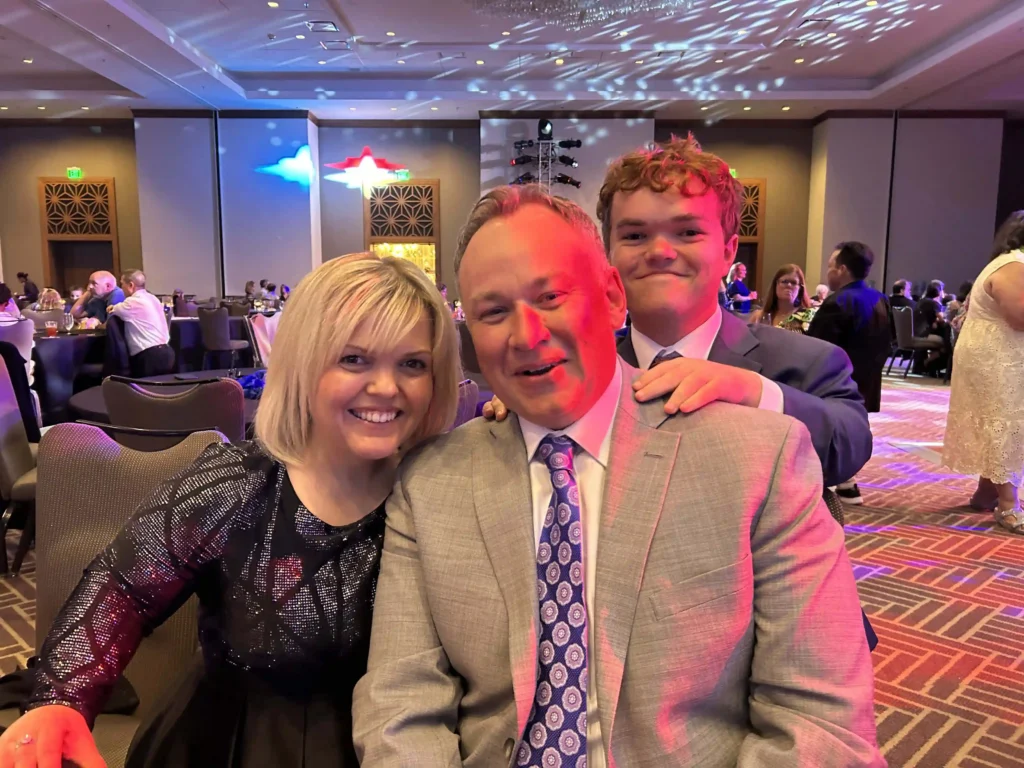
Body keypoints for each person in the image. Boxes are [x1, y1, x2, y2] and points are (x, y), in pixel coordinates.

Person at [352, 186, 882, 767]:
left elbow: (818, 722)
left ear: (610, 297)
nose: (526, 335)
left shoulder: (759, 458)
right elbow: (400, 703)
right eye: (493, 311)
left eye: (550, 296)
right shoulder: (430, 482)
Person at [0, 253, 461, 768]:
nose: (386, 387)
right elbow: (123, 588)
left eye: (412, 363)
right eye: (353, 359)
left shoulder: (441, 493)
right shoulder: (236, 483)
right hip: (235, 745)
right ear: (305, 363)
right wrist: (63, 695)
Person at [596, 134, 871, 490]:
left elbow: (848, 448)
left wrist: (755, 392)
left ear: (728, 251)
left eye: (687, 232)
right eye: (634, 236)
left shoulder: (807, 361)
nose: (660, 251)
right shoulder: (589, 366)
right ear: (609, 254)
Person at [944, 211, 1024, 533]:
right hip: (997, 356)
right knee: (1004, 421)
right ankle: (1008, 506)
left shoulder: (1011, 262)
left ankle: (986, 492)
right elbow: (1019, 316)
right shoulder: (1014, 264)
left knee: (998, 420)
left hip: (996, 352)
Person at [806, 242, 892, 505]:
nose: (828, 272)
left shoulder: (838, 301)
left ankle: (830, 479)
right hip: (867, 378)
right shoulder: (881, 298)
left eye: (831, 266)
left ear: (842, 269)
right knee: (855, 424)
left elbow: (815, 347)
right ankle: (848, 482)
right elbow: (891, 342)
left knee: (826, 425)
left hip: (834, 380)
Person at [106, 270, 175, 377]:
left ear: (130, 285)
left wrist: (111, 307)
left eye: (122, 284)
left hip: (149, 356)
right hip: (167, 352)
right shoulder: (153, 298)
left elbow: (112, 310)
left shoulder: (132, 302)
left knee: (144, 391)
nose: (121, 288)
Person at [750, 263, 817, 332]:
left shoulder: (807, 317)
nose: (789, 285)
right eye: (784, 282)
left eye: (793, 283)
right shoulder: (758, 316)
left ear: (800, 288)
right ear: (775, 285)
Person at [912, 280, 951, 375]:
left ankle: (928, 365)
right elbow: (942, 319)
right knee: (947, 341)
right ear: (938, 291)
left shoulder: (921, 302)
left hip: (916, 332)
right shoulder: (934, 303)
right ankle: (933, 362)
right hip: (925, 334)